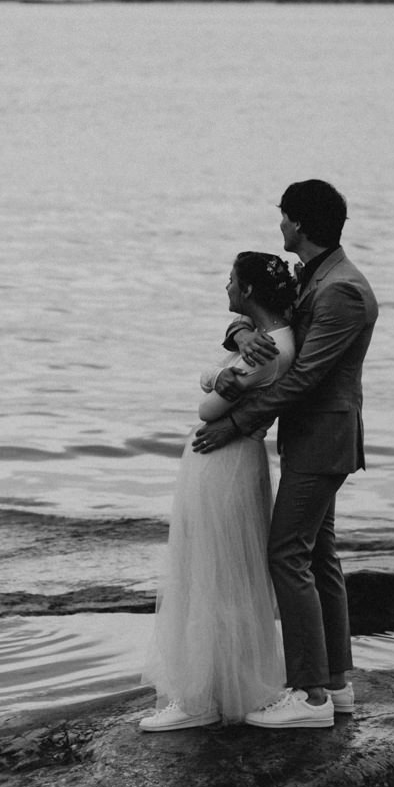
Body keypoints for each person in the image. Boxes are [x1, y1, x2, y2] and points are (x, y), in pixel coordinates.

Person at [194, 179, 377, 731]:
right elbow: (262, 319)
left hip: (323, 440)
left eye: (282, 217)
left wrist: (236, 424)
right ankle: (337, 685)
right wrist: (237, 332)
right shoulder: (314, 278)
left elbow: (304, 376)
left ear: (298, 223)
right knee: (318, 556)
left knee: (286, 556)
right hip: (311, 440)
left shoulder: (342, 290)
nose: (279, 225)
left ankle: (312, 696)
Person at [138, 251, 299, 731]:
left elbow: (208, 408)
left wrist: (218, 381)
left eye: (231, 280)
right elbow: (213, 377)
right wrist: (220, 372)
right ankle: (215, 689)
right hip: (229, 461)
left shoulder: (269, 350)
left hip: (223, 462)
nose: (226, 287)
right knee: (219, 570)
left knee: (211, 572)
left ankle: (200, 699)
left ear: (248, 290)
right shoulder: (265, 337)